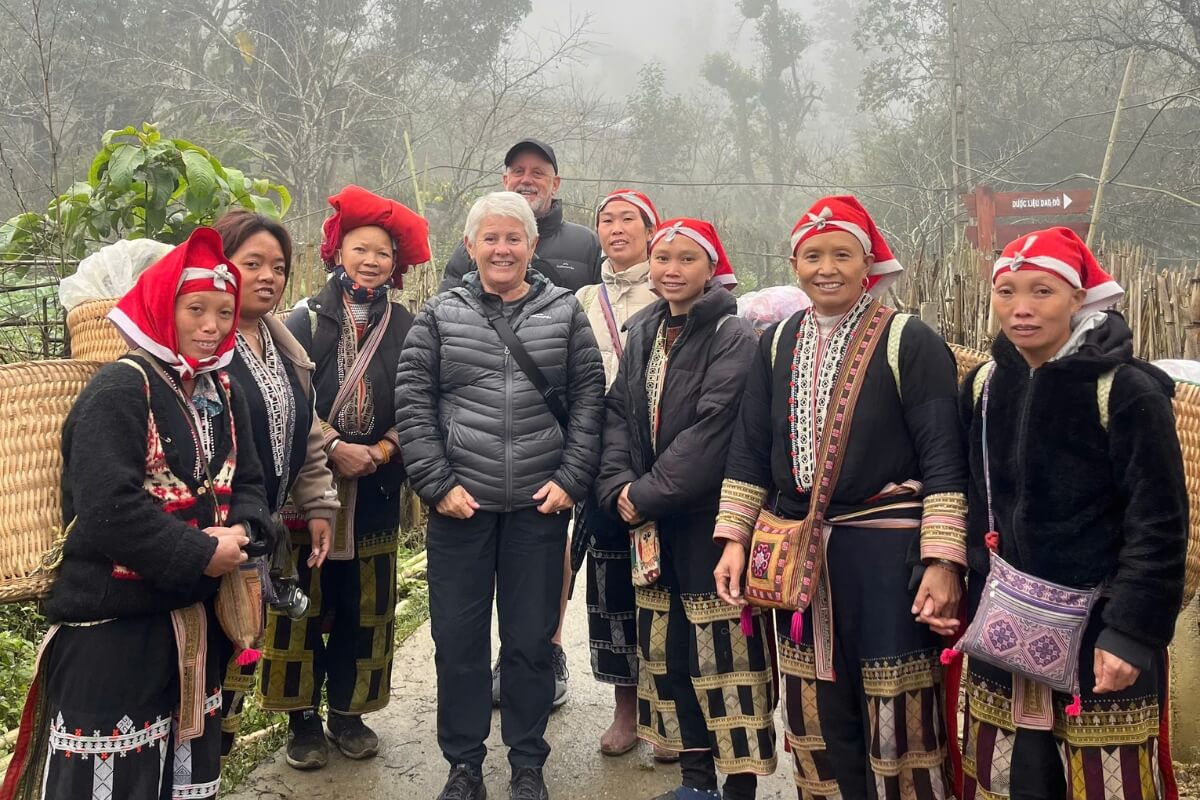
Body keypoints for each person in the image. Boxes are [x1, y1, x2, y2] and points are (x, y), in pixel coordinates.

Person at [0, 228, 272, 800]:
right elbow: (106, 509)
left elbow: (250, 482)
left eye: (224, 312)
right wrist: (201, 552)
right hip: (116, 634)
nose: (212, 325)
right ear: (160, 308)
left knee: (179, 780)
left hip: (191, 624)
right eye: (195, 309)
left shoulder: (224, 391)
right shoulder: (120, 391)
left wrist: (244, 531)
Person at [713, 196, 967, 798]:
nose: (826, 269)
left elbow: (943, 456)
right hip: (801, 556)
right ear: (795, 265)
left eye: (842, 255)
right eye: (813, 256)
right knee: (816, 710)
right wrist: (733, 539)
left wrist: (942, 560)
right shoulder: (777, 342)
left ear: (868, 264)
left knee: (896, 708)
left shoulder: (910, 340)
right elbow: (750, 447)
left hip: (886, 558)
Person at [954, 227, 1187, 799]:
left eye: (1043, 291)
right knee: (1011, 779)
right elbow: (969, 495)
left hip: (1098, 632)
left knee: (1108, 784)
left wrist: (1130, 632)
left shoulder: (1126, 392)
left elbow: (1158, 524)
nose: (1022, 308)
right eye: (1007, 291)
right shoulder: (986, 386)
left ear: (1078, 298)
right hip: (1003, 626)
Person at [396, 190, 605, 800]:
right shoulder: (440, 315)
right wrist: (437, 484)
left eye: (514, 238)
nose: (502, 249)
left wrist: (571, 480)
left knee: (530, 642)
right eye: (490, 238)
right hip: (461, 508)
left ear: (532, 246)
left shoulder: (565, 313)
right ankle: (464, 765)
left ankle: (527, 762)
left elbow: (589, 402)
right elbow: (413, 404)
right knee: (458, 642)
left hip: (539, 509)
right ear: (471, 246)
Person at [597, 218, 774, 800]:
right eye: (663, 258)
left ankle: (739, 786)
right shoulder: (644, 329)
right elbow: (618, 413)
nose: (672, 270)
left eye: (686, 259)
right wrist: (618, 485)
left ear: (711, 268)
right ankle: (696, 782)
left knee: (724, 656)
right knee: (671, 655)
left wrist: (642, 493)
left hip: (710, 521)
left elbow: (713, 430)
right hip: (652, 522)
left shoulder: (733, 335)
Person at [256, 185, 426, 767]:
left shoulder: (408, 325)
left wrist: (381, 449)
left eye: (383, 252)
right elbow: (284, 395)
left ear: (395, 263)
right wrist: (332, 446)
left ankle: (349, 714)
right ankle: (301, 720)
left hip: (377, 486)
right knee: (301, 602)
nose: (371, 260)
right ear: (337, 252)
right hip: (308, 488)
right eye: (360, 249)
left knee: (366, 605)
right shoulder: (301, 320)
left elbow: (421, 401)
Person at [442, 139, 604, 709]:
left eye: (539, 171)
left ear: (556, 183)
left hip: (552, 432)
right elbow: (448, 340)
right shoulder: (470, 247)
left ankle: (547, 646)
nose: (527, 178)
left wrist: (576, 465)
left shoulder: (584, 243)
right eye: (517, 170)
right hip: (480, 442)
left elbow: (594, 333)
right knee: (477, 577)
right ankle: (498, 662)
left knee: (549, 555)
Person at [210, 210, 339, 759]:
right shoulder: (204, 347)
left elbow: (303, 431)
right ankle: (198, 769)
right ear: (220, 268)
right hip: (214, 535)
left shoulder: (284, 347)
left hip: (262, 533)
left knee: (244, 647)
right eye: (252, 264)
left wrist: (319, 503)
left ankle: (211, 767)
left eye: (279, 267)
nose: (269, 277)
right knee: (212, 665)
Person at [575, 188, 660, 756]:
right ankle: (626, 710)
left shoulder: (672, 286)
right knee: (610, 586)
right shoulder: (584, 298)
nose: (616, 228)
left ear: (651, 231)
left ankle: (666, 710)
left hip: (659, 458)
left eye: (629, 219)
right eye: (607, 220)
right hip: (599, 459)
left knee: (665, 585)